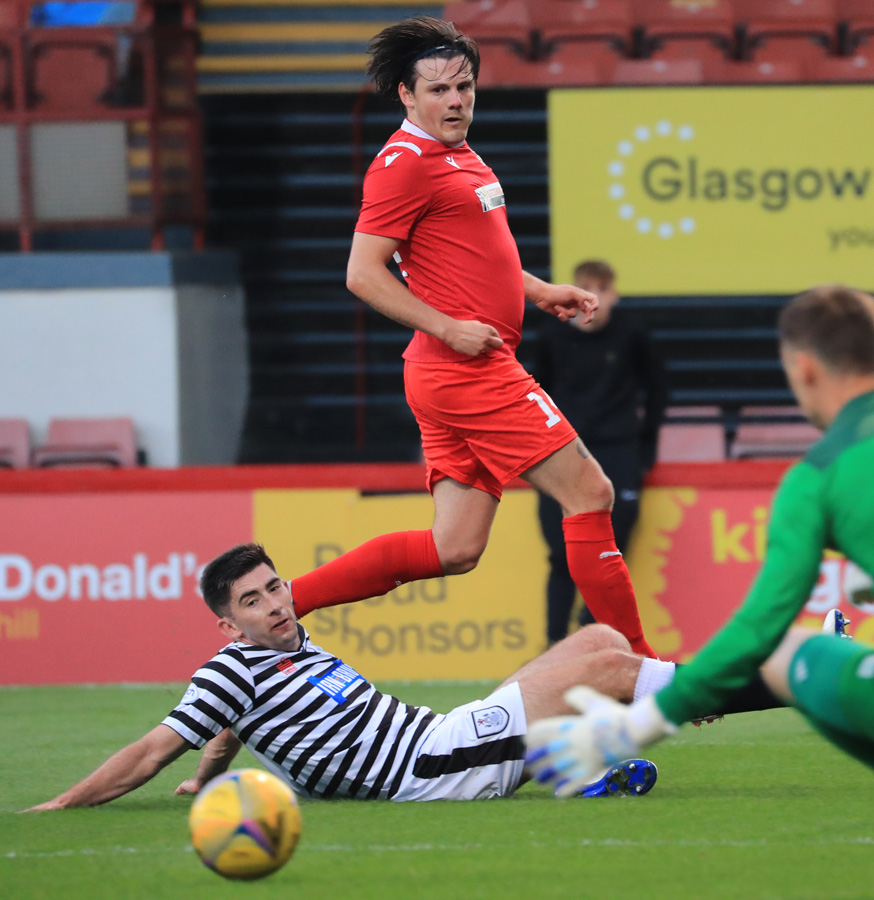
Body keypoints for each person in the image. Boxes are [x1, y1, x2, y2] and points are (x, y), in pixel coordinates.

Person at [287, 15, 655, 659]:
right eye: (438, 90)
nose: (455, 100)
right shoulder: (402, 164)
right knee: (591, 492)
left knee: (453, 548)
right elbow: (362, 273)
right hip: (465, 369)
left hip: (443, 371)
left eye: (464, 86)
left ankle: (290, 601)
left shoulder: (458, 151)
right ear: (406, 94)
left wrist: (538, 291)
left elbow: (475, 252)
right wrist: (447, 326)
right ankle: (641, 664)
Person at [525, 285, 874, 795]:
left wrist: (633, 727)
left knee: (785, 651)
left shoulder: (816, 477)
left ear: (804, 368)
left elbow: (758, 630)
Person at [27, 542, 664, 809]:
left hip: (446, 737)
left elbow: (225, 732)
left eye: (274, 586)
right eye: (252, 601)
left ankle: (571, 765)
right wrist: (62, 804)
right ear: (227, 626)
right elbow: (149, 752)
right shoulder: (230, 669)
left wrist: (204, 779)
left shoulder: (294, 645)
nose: (275, 603)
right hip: (429, 768)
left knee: (601, 638)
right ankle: (711, 686)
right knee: (610, 667)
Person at [533, 260, 668, 644]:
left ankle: (590, 634)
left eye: (603, 289)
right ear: (572, 291)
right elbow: (535, 391)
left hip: (617, 451)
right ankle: (553, 643)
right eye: (587, 287)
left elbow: (657, 390)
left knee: (611, 548)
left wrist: (645, 449)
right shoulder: (551, 337)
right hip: (562, 452)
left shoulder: (633, 335)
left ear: (615, 294)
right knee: (561, 554)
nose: (596, 297)